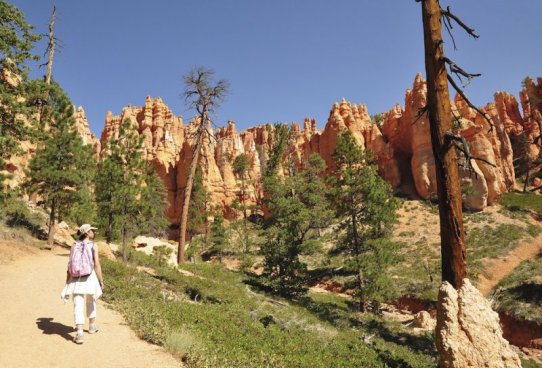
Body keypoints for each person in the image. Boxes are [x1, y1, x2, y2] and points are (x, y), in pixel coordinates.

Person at [61, 224, 104, 344]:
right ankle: (92, 326)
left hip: (76, 279)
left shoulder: (74, 245)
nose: (94, 233)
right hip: (89, 277)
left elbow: (69, 265)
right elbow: (96, 265)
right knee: (91, 300)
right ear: (86, 233)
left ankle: (79, 333)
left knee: (77, 305)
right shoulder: (93, 245)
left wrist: (67, 281)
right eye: (92, 231)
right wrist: (101, 280)